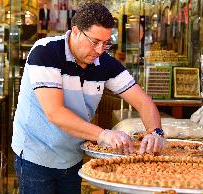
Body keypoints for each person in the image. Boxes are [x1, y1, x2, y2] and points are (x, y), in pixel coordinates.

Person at [11, 3, 165, 194]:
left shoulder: (104, 62)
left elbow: (143, 102)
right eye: (95, 42)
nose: (100, 50)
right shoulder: (46, 52)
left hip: (72, 156)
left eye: (106, 43)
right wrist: (104, 135)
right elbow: (55, 113)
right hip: (36, 154)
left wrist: (155, 132)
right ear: (75, 32)